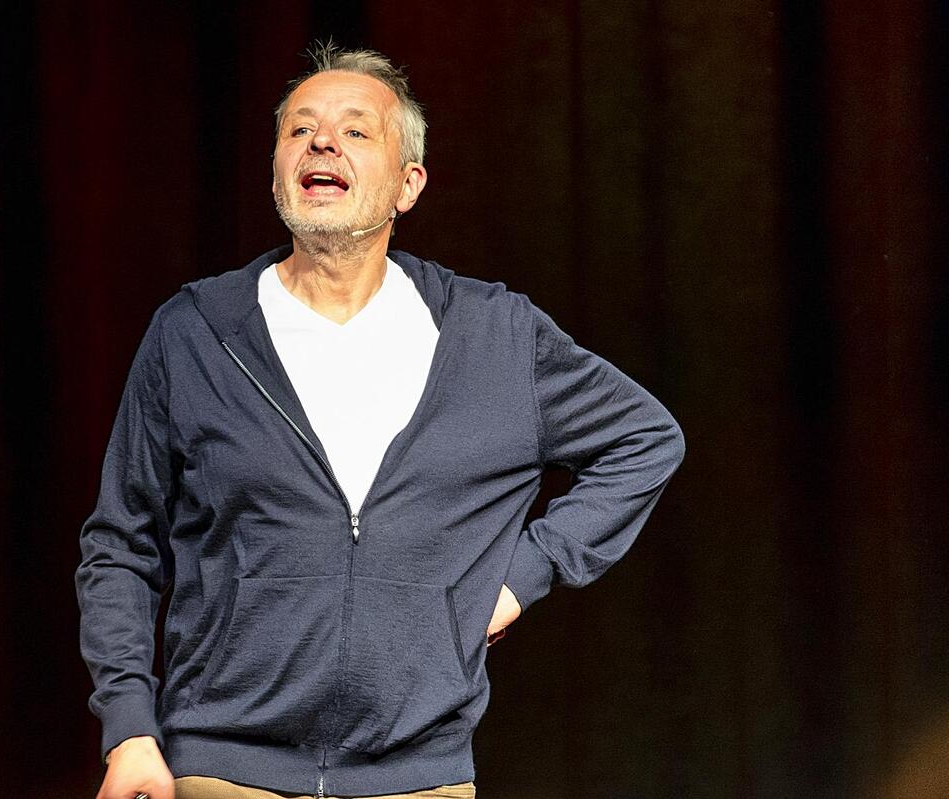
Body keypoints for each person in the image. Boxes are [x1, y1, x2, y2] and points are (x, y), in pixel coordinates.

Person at [76, 43, 684, 799]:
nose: (322, 142)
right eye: (300, 129)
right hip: (225, 765)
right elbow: (122, 542)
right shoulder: (197, 331)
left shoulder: (491, 336)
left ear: (408, 184)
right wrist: (130, 728)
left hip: (419, 774)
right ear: (276, 171)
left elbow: (645, 439)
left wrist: (519, 578)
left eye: (356, 130)